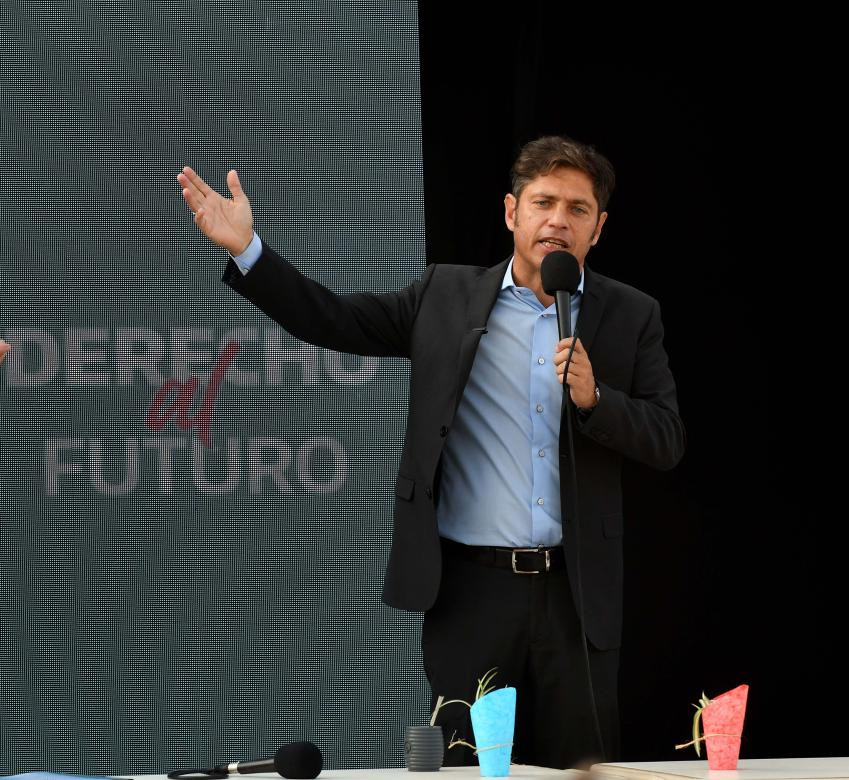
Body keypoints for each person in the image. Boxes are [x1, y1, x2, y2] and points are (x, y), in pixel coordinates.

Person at [177, 136, 685, 768]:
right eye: (543, 202)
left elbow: (667, 438)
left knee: (580, 768)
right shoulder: (445, 296)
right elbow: (333, 319)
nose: (558, 219)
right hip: (471, 591)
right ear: (511, 213)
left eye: (578, 209)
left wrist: (596, 400)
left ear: (599, 227)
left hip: (574, 598)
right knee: (466, 768)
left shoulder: (631, 315)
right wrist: (248, 252)